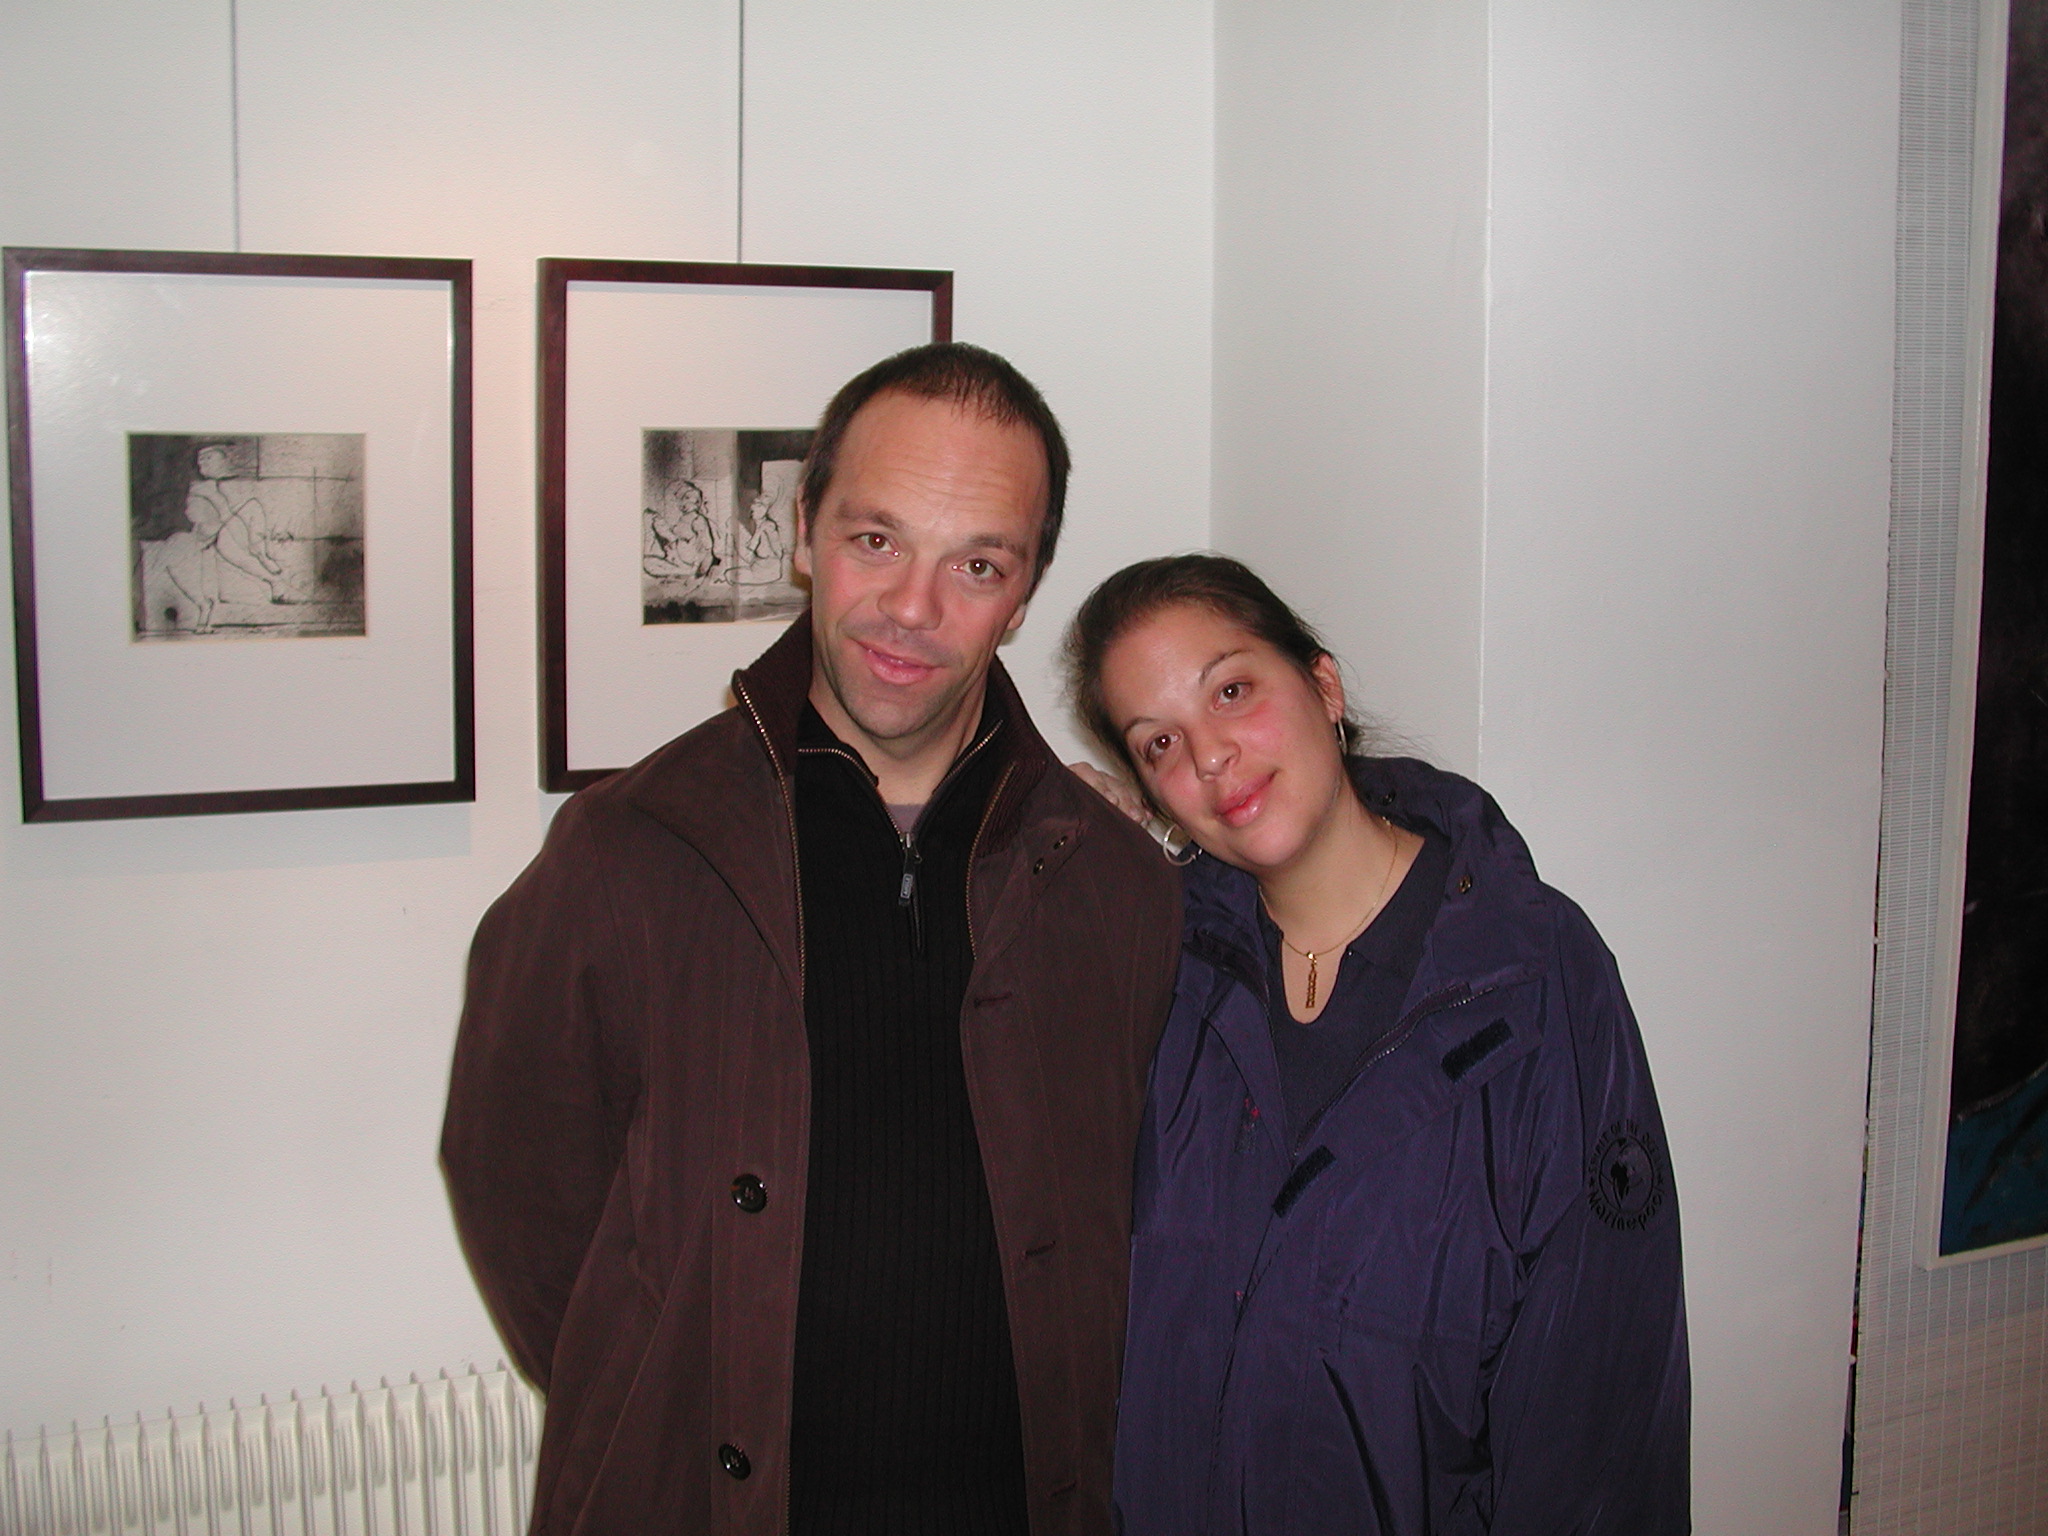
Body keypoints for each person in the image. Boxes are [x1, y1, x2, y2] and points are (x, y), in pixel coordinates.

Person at [442, 343, 1181, 1536]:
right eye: (875, 539)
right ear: (800, 532)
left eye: (975, 564)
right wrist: (668, 1386)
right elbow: (516, 1184)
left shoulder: (1113, 885)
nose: (912, 610)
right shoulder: (629, 851)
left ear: (1023, 594)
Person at [1064, 554, 1689, 1534]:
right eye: (1160, 744)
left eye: (1231, 691)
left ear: (1323, 686)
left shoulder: (1533, 975)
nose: (1210, 758)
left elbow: (1601, 1404)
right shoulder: (1158, 978)